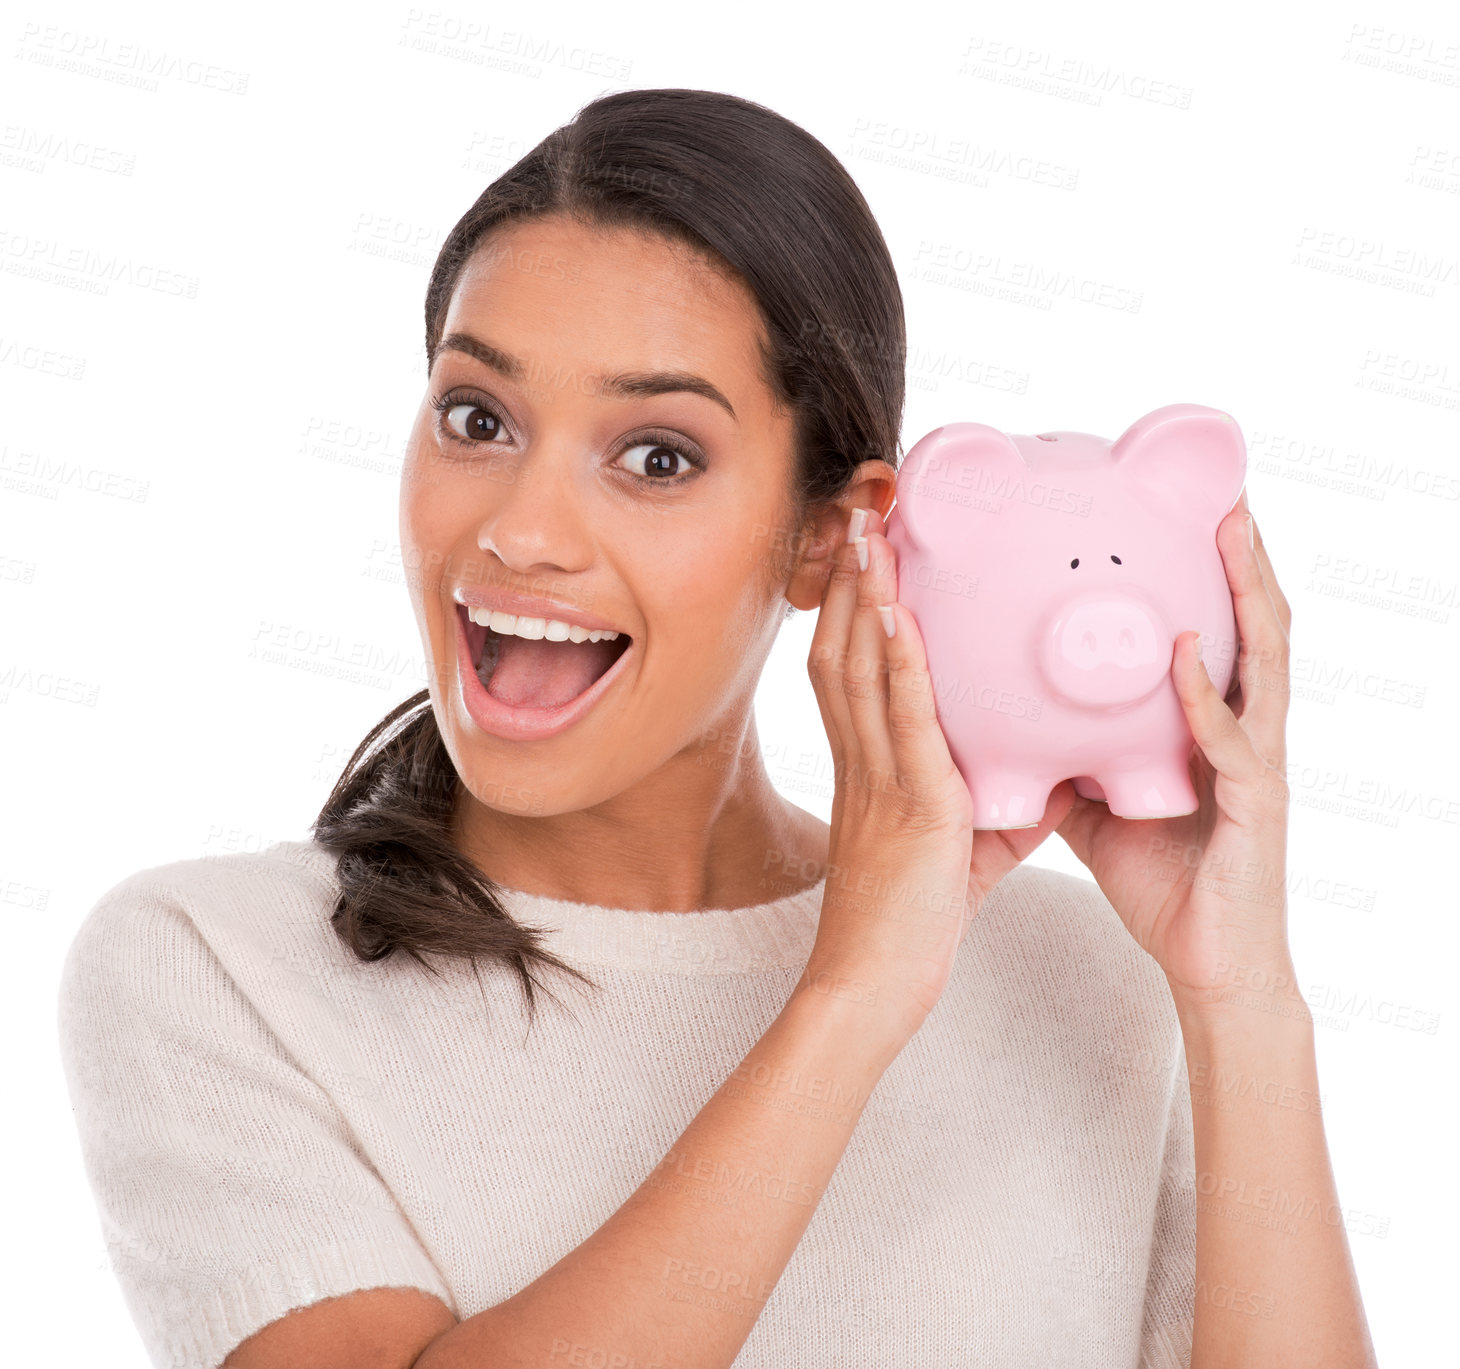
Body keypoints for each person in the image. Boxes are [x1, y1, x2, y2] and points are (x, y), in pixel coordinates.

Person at [56, 87, 1377, 1369]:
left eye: (659, 456)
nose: (519, 529)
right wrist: (849, 997)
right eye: (478, 417)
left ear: (831, 533)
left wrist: (1240, 998)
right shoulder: (215, 969)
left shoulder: (1084, 981)